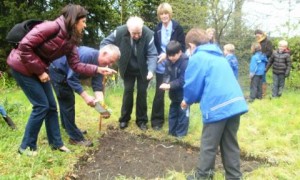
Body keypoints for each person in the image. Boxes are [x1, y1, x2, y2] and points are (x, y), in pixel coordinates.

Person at [6, 4, 116, 156]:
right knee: (41, 106)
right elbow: (24, 47)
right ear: (74, 20)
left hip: (38, 70)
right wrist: (40, 72)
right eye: (83, 21)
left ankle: (56, 144)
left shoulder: (70, 40)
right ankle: (26, 146)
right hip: (21, 67)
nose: (85, 25)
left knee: (52, 107)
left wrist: (98, 69)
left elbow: (76, 65)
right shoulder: (51, 27)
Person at [181, 28, 248, 180]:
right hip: (235, 104)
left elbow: (192, 85)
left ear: (191, 46)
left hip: (217, 106)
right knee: (230, 143)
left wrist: (186, 100)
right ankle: (234, 176)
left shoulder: (198, 58)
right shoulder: (219, 56)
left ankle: (202, 176)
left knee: (208, 145)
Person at [49, 45, 120, 147]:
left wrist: (101, 108)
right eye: (110, 60)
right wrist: (86, 97)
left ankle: (68, 127)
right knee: (67, 101)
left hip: (67, 74)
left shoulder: (101, 64)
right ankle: (75, 138)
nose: (110, 64)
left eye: (113, 62)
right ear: (104, 53)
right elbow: (72, 78)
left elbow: (97, 85)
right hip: (58, 71)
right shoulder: (86, 56)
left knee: (66, 102)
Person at [100, 16, 157, 130]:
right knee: (128, 91)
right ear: (128, 29)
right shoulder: (119, 31)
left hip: (144, 69)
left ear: (142, 28)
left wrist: (151, 70)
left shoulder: (149, 34)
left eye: (138, 33)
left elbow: (152, 54)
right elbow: (104, 43)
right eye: (133, 33)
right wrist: (105, 55)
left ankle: (141, 121)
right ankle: (124, 119)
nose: (136, 36)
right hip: (127, 68)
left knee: (142, 93)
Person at [151, 2, 185, 131]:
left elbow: (182, 46)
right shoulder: (157, 28)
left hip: (175, 66)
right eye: (161, 14)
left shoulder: (177, 28)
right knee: (159, 93)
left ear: (170, 14)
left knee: (176, 93)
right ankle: (157, 122)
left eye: (166, 13)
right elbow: (155, 46)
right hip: (161, 66)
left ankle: (177, 121)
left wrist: (168, 54)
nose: (164, 16)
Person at [159, 40, 189, 138]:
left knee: (183, 114)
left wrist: (169, 85)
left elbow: (183, 80)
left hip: (184, 94)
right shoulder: (168, 61)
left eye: (173, 55)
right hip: (173, 94)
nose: (171, 58)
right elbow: (166, 74)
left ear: (180, 52)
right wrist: (165, 82)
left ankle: (180, 135)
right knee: (173, 112)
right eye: (169, 55)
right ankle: (172, 133)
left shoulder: (186, 62)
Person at [254, 29, 273, 97]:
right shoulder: (257, 42)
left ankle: (263, 94)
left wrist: (262, 56)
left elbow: (270, 52)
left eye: (258, 35)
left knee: (263, 77)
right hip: (257, 61)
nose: (257, 37)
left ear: (261, 34)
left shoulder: (268, 41)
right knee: (257, 76)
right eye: (256, 36)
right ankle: (258, 92)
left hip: (264, 61)